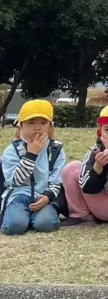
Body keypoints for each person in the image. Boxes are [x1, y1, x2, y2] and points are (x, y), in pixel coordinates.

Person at [1, 100, 65, 235]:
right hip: (18, 195)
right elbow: (14, 182)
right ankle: (18, 215)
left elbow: (57, 179)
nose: (37, 128)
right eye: (31, 123)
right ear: (21, 126)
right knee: (14, 227)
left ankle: (37, 216)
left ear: (50, 126)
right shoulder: (12, 150)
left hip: (43, 196)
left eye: (43, 123)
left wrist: (47, 197)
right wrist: (31, 154)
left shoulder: (55, 150)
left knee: (46, 224)